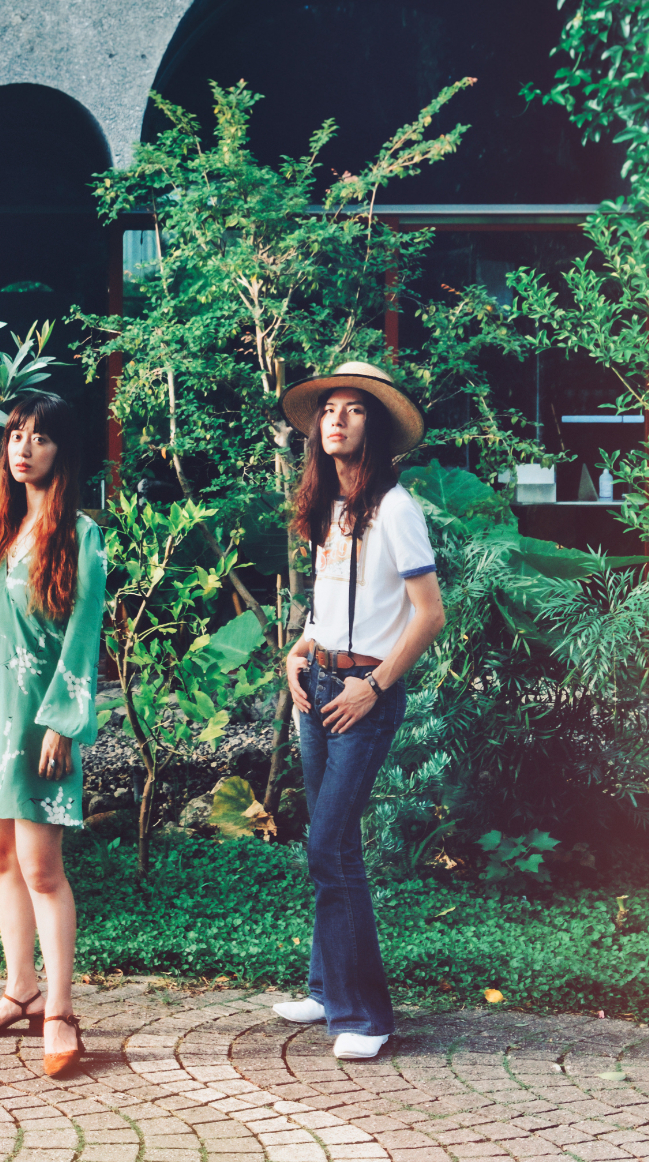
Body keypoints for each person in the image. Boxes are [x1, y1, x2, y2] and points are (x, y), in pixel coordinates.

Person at [275, 361, 445, 1061]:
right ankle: (326, 985)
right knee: (328, 840)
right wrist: (300, 647)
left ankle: (368, 1014)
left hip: (362, 699)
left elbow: (429, 615)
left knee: (330, 844)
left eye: (352, 409)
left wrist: (373, 686)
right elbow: (330, 600)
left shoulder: (397, 507)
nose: (335, 418)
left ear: (375, 426)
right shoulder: (330, 505)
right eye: (328, 409)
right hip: (317, 685)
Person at [0, 392, 105, 1079]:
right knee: (1, 859)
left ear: (61, 449)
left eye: (38, 435)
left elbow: (84, 633)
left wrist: (62, 723)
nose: (23, 445)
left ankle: (61, 1009)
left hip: (41, 720)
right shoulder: (4, 526)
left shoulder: (82, 533)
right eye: (15, 433)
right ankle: (21, 989)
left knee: (42, 868)